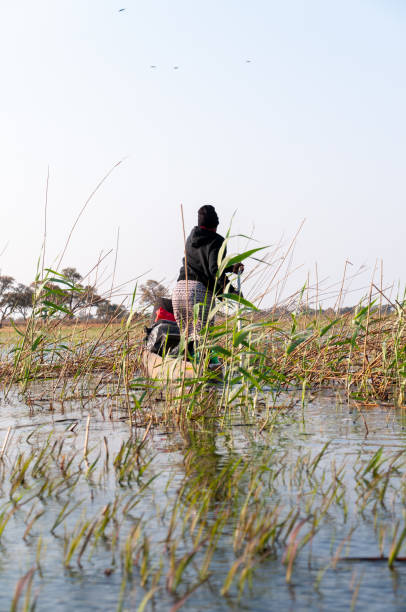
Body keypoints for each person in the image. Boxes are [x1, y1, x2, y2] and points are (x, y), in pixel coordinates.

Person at [172, 205, 243, 356]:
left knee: (187, 339)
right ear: (216, 225)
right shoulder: (217, 241)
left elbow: (201, 263)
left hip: (179, 291)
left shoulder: (191, 238)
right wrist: (232, 292)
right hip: (198, 293)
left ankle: (180, 367)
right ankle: (203, 374)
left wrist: (230, 268)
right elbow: (214, 270)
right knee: (202, 340)